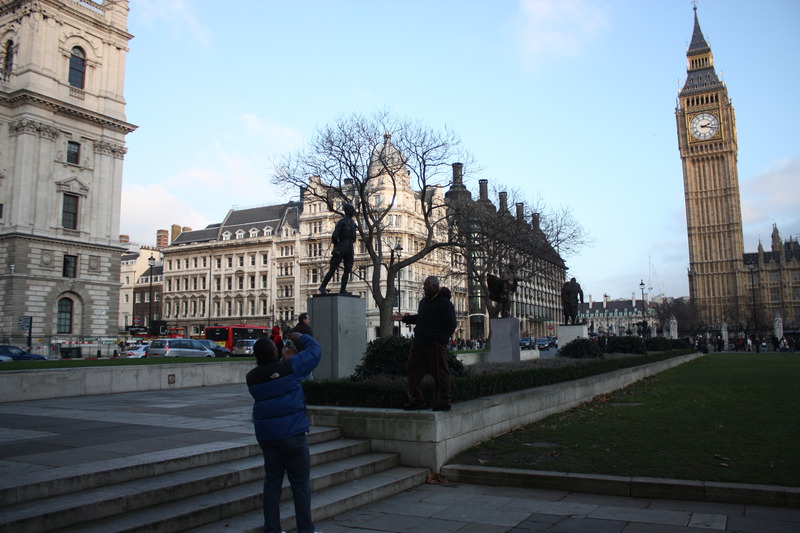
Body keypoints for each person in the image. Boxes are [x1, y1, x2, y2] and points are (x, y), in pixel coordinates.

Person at [246, 332, 322, 533]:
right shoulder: (290, 368)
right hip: (293, 433)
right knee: (300, 485)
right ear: (274, 352)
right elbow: (315, 352)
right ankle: (305, 529)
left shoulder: (252, 378)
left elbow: (272, 374)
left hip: (267, 436)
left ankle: (271, 528)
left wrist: (285, 361)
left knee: (272, 483)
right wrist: (299, 337)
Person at [392, 276, 457, 412]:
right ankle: (416, 399)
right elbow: (421, 318)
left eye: (426, 285)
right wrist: (404, 318)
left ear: (434, 286)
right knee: (412, 369)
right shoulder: (424, 302)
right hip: (420, 342)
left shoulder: (444, 302)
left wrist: (440, 340)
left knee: (440, 373)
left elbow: (451, 324)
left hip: (434, 343)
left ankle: (444, 401)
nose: (424, 287)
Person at [318, 203, 357, 295]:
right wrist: (337, 245)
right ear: (347, 210)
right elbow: (335, 235)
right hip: (341, 246)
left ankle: (343, 289)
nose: (353, 210)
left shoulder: (353, 224)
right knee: (333, 268)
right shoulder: (341, 222)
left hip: (349, 248)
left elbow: (354, 237)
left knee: (348, 270)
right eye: (351, 209)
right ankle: (322, 286)